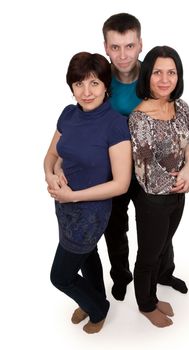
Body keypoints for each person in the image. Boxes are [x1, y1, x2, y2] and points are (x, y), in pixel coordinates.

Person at [102, 13, 189, 301]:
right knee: (115, 230)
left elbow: (181, 126)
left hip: (152, 177)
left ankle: (163, 272)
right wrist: (57, 160)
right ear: (105, 46)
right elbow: (81, 120)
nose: (122, 55)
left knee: (160, 232)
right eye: (115, 47)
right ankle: (121, 277)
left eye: (129, 46)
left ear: (140, 44)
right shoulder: (99, 80)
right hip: (112, 173)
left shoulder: (155, 73)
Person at [43, 52, 132, 334]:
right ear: (71, 87)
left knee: (60, 276)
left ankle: (98, 308)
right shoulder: (68, 114)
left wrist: (73, 196)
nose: (86, 91)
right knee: (89, 255)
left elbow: (121, 184)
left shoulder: (114, 123)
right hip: (65, 207)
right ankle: (96, 297)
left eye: (94, 83)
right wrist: (52, 173)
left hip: (90, 213)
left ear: (106, 86)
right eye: (79, 84)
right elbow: (51, 155)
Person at [128, 45, 189, 327]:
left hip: (178, 193)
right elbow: (146, 171)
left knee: (165, 244)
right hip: (153, 199)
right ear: (147, 76)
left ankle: (163, 278)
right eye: (157, 72)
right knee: (148, 254)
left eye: (171, 72)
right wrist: (184, 177)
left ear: (178, 76)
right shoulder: (139, 118)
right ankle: (146, 303)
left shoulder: (180, 106)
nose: (164, 79)